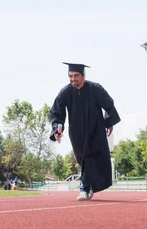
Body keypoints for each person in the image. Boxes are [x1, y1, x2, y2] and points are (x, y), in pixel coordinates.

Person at [49, 62, 121, 201]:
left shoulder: (96, 89)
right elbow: (56, 112)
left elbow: (109, 105)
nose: (73, 79)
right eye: (70, 76)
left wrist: (109, 122)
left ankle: (84, 187)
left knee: (92, 156)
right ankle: (88, 186)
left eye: (76, 76)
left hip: (96, 129)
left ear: (83, 76)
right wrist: (57, 128)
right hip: (77, 132)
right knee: (84, 159)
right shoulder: (65, 92)